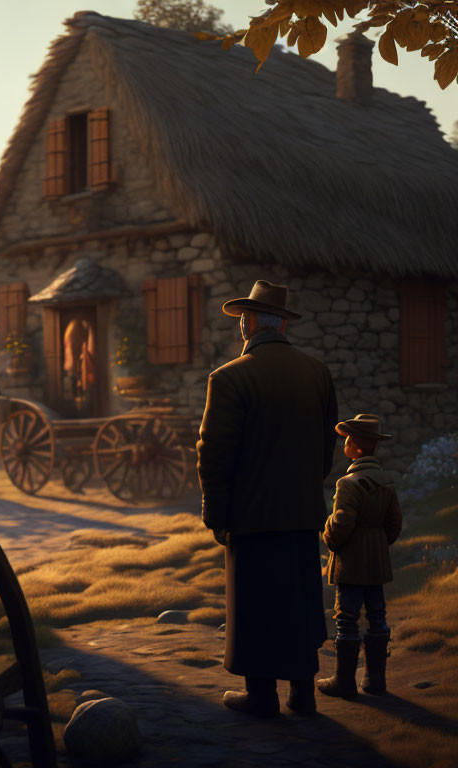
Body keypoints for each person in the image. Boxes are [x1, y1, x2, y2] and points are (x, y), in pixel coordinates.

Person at [197, 279, 338, 717]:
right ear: (283, 325)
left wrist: (216, 515)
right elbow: (325, 448)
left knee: (255, 607)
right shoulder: (316, 372)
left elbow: (214, 455)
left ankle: (261, 696)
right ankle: (303, 693)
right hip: (300, 514)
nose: (241, 324)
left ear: (251, 322)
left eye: (243, 318)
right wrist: (304, 487)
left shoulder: (229, 378)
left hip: (252, 518)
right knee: (297, 601)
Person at [318, 414, 402, 699]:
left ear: (354, 447)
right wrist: (378, 543)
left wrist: (327, 536)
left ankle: (345, 682)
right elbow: (394, 524)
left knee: (347, 618)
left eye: (347, 441)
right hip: (377, 559)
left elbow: (340, 525)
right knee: (378, 615)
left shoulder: (348, 484)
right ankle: (376, 680)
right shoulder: (386, 481)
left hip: (352, 561)